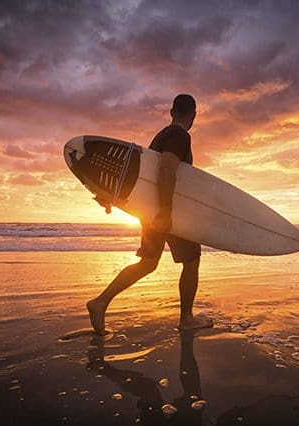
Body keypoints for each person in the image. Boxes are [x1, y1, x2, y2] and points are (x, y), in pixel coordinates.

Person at [86, 94, 213, 334]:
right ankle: (186, 318)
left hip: (148, 211)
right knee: (191, 259)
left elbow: (140, 177)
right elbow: (166, 170)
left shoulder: (161, 135)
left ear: (171, 111)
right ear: (194, 115)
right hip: (168, 211)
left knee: (148, 263)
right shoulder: (179, 135)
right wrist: (166, 212)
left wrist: (115, 197)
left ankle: (100, 302)